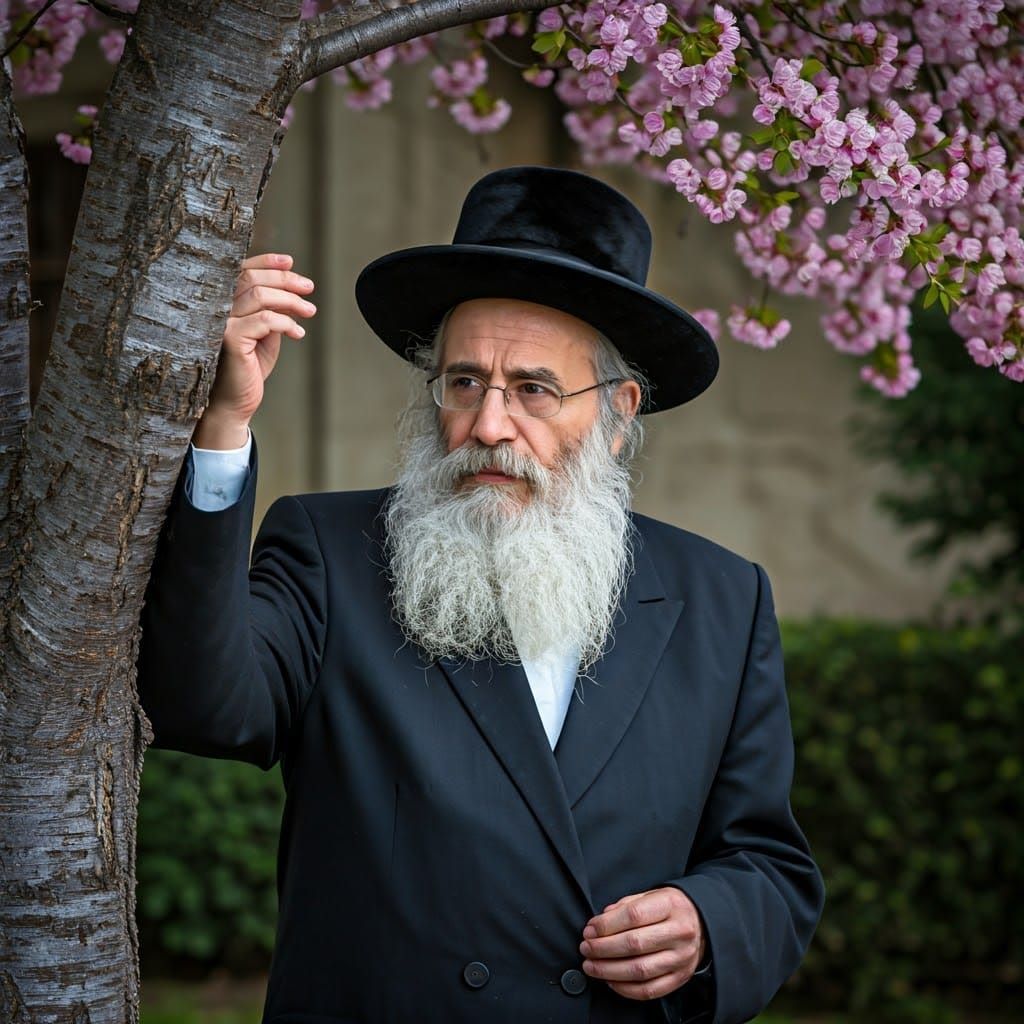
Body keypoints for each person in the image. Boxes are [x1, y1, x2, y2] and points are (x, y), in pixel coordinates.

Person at [138, 166, 824, 1024]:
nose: (489, 424)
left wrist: (708, 924)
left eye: (533, 389)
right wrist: (224, 427)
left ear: (618, 414)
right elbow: (199, 706)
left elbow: (767, 863)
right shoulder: (332, 553)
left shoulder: (723, 599)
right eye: (465, 383)